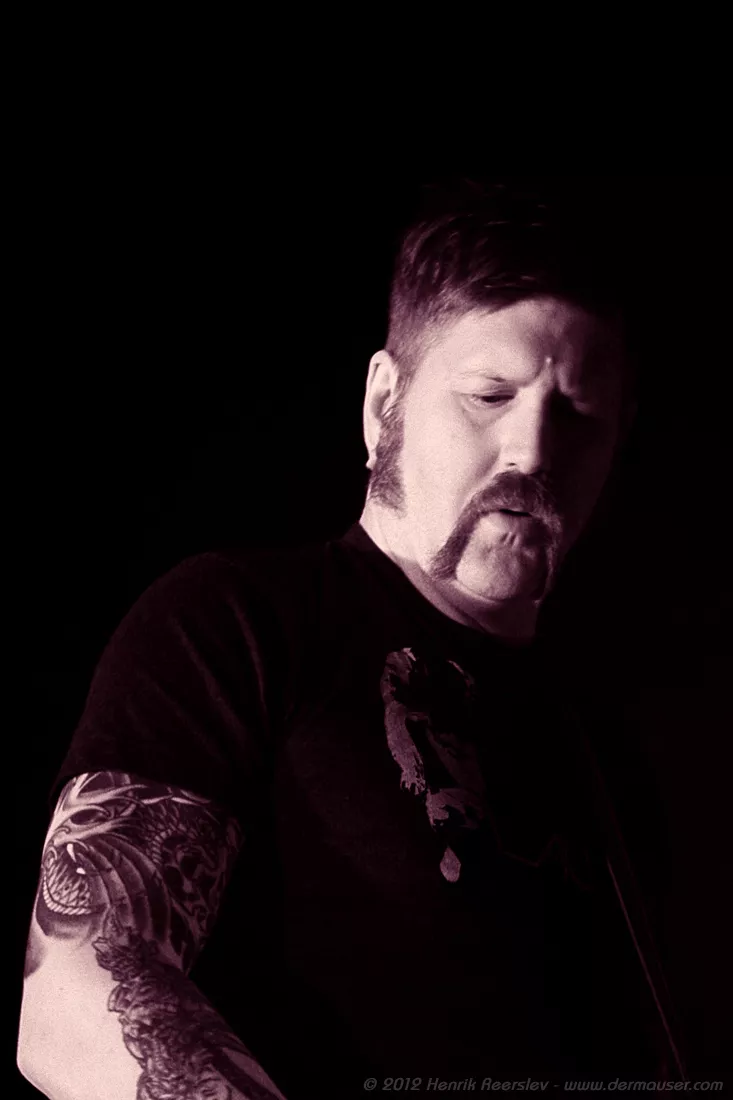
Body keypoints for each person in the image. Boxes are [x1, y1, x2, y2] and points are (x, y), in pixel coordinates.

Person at [18, 178, 689, 1099]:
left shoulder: (604, 752)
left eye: (575, 415)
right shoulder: (239, 621)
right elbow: (79, 993)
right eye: (488, 395)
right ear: (384, 403)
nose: (532, 452)